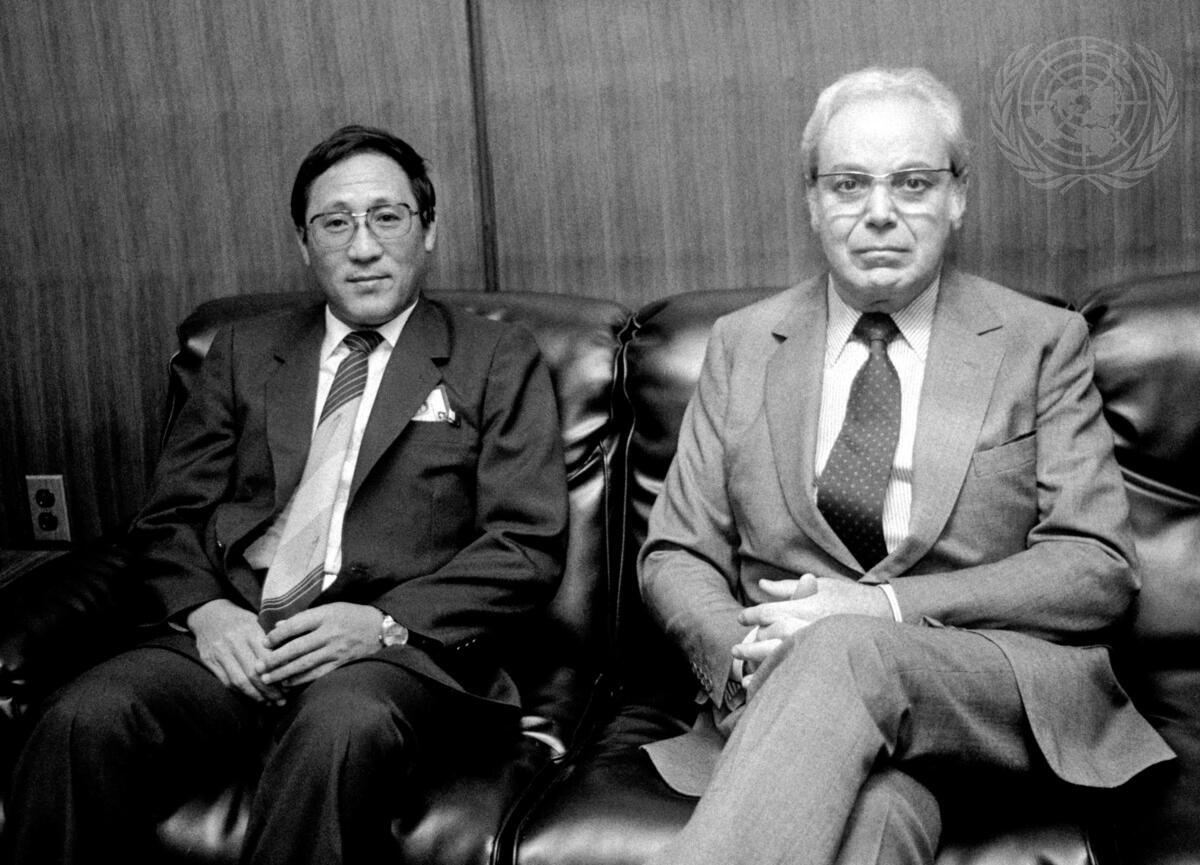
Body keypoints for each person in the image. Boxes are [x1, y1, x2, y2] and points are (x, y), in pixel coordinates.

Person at [638, 68, 1173, 865]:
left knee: (845, 646)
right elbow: (677, 552)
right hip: (788, 709)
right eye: (849, 184)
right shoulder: (742, 344)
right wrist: (746, 668)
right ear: (813, 202)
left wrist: (881, 608)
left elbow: (1096, 564)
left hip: (985, 690)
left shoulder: (1040, 342)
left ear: (957, 197)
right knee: (874, 819)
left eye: (913, 183)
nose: (880, 211)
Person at [4, 125, 568, 865]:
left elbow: (525, 543)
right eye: (335, 223)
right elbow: (169, 517)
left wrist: (383, 624)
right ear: (304, 242)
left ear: (427, 230)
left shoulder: (495, 356)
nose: (363, 247)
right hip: (239, 633)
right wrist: (208, 615)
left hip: (392, 656)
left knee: (339, 727)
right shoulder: (242, 351)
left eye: (387, 217)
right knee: (85, 716)